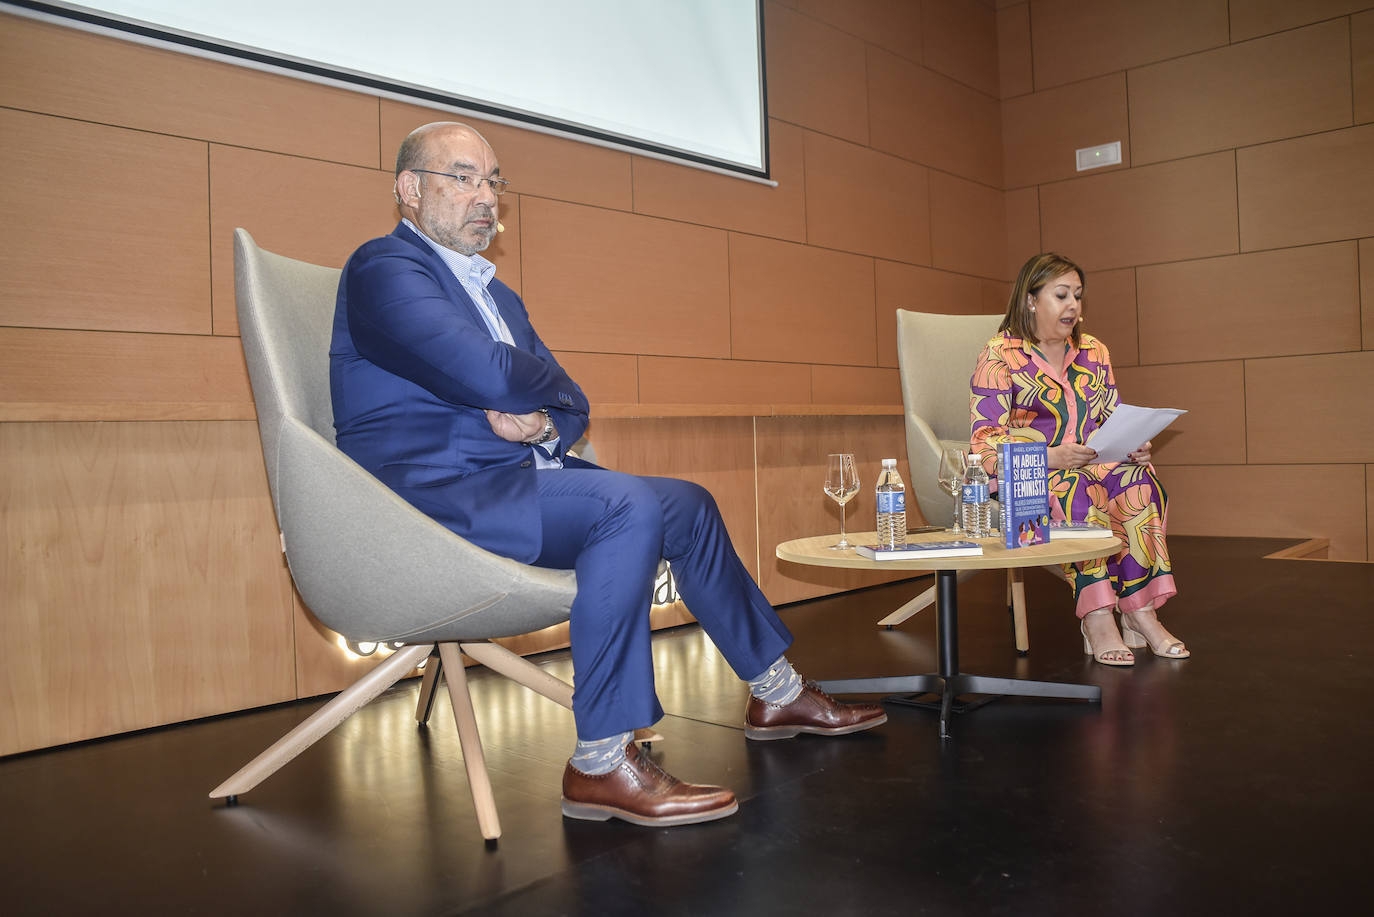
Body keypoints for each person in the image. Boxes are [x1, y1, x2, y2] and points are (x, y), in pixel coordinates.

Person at [330, 122, 885, 828]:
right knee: (623, 502)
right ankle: (600, 760)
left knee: (685, 502)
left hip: (511, 481)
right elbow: (486, 370)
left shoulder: (497, 298)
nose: (485, 197)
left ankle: (775, 690)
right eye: (463, 177)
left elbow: (571, 397)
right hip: (432, 497)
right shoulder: (384, 269)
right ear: (410, 189)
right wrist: (522, 391)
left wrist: (537, 418)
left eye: (494, 182)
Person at [969, 252, 1188, 666]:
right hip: (1030, 476)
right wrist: (1051, 456)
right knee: (1078, 491)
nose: (1073, 305)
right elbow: (983, 446)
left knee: (1139, 483)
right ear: (1031, 300)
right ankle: (1098, 617)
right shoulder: (999, 356)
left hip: (1095, 465)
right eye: (1062, 295)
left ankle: (1141, 611)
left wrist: (1135, 444)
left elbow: (1111, 418)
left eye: (1078, 296)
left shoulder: (1094, 352)